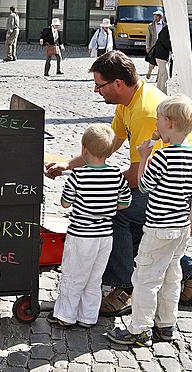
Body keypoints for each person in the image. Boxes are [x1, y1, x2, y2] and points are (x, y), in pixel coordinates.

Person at [45, 51, 192, 317]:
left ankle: (124, 287)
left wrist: (97, 184)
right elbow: (105, 147)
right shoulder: (127, 102)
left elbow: (139, 173)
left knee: (115, 212)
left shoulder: (146, 112)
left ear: (118, 83)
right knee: (137, 220)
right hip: (170, 182)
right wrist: (69, 166)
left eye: (99, 84)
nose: (96, 91)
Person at [107, 95, 192, 347]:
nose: (156, 123)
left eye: (159, 119)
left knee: (145, 278)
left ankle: (139, 329)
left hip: (159, 227)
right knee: (172, 276)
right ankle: (166, 325)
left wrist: (144, 157)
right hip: (181, 226)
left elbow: (144, 185)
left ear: (169, 123)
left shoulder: (161, 157)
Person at [47, 124, 131, 329]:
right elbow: (125, 202)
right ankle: (88, 316)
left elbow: (65, 203)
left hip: (82, 235)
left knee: (73, 275)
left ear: (84, 149)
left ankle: (65, 315)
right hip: (104, 236)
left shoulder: (77, 176)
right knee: (95, 278)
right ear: (110, 152)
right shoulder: (116, 176)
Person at [145, 10, 164, 79]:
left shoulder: (165, 25)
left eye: (156, 16)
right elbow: (148, 37)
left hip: (162, 47)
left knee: (161, 62)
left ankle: (158, 77)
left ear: (160, 17)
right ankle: (149, 72)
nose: (155, 17)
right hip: (154, 46)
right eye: (154, 16)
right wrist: (147, 47)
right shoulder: (150, 26)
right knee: (152, 62)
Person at [154, 22, 172, 94]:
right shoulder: (167, 29)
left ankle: (158, 92)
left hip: (161, 55)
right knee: (165, 75)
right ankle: (163, 93)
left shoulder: (165, 29)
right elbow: (166, 42)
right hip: (161, 56)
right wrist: (173, 48)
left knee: (162, 75)